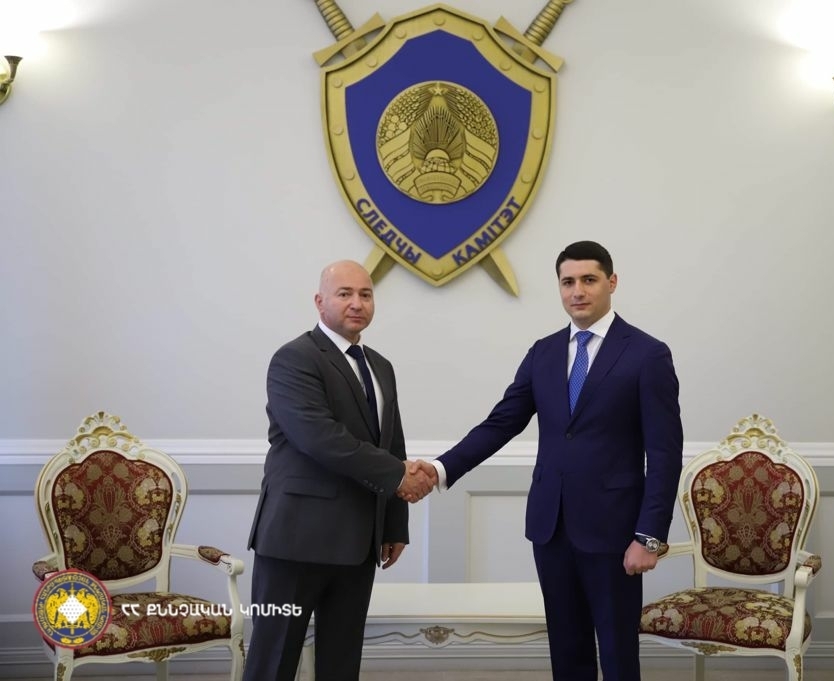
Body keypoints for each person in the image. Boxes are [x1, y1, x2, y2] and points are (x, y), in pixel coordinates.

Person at [418, 240, 684, 681]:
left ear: (612, 282)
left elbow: (664, 452)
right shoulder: (543, 352)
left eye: (589, 280)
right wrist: (440, 468)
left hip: (615, 531)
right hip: (551, 527)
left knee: (618, 653)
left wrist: (649, 536)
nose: (577, 291)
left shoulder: (647, 354)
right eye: (568, 282)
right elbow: (501, 423)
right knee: (567, 650)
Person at [243, 260, 434, 681]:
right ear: (320, 301)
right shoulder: (294, 358)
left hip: (359, 542)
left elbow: (392, 444)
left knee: (342, 662)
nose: (356, 303)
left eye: (365, 294)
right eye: (344, 294)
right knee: (273, 660)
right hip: (295, 540)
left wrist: (394, 525)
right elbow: (320, 438)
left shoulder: (380, 366)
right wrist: (400, 476)